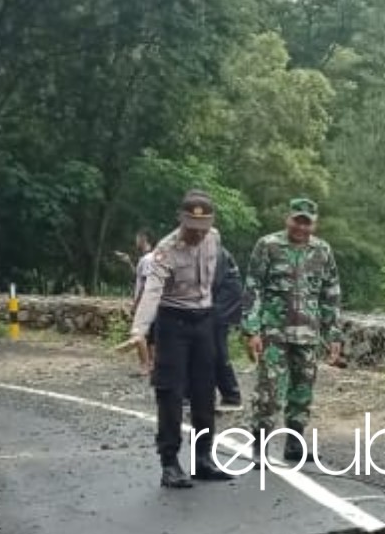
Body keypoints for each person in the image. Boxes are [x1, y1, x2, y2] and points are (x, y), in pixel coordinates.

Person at [129, 191, 237, 488]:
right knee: (171, 393)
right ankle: (170, 463)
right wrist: (139, 330)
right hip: (173, 321)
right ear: (181, 220)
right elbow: (152, 292)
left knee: (204, 393)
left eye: (202, 228)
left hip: (203, 320)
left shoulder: (214, 238)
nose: (197, 234)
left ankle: (203, 458)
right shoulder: (165, 249)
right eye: (191, 227)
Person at [243, 197, 342, 468]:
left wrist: (333, 335)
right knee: (269, 391)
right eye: (297, 220)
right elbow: (253, 288)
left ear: (314, 224)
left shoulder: (322, 251)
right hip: (274, 331)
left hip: (308, 333)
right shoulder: (268, 246)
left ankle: (294, 443)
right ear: (288, 219)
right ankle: (259, 446)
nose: (301, 227)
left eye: (306, 223)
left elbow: (330, 294)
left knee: (302, 390)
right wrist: (252, 330)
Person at [211, 239, 246, 410]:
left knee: (217, 351)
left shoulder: (216, 254)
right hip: (220, 307)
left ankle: (231, 396)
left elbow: (211, 284)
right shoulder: (216, 253)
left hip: (220, 309)